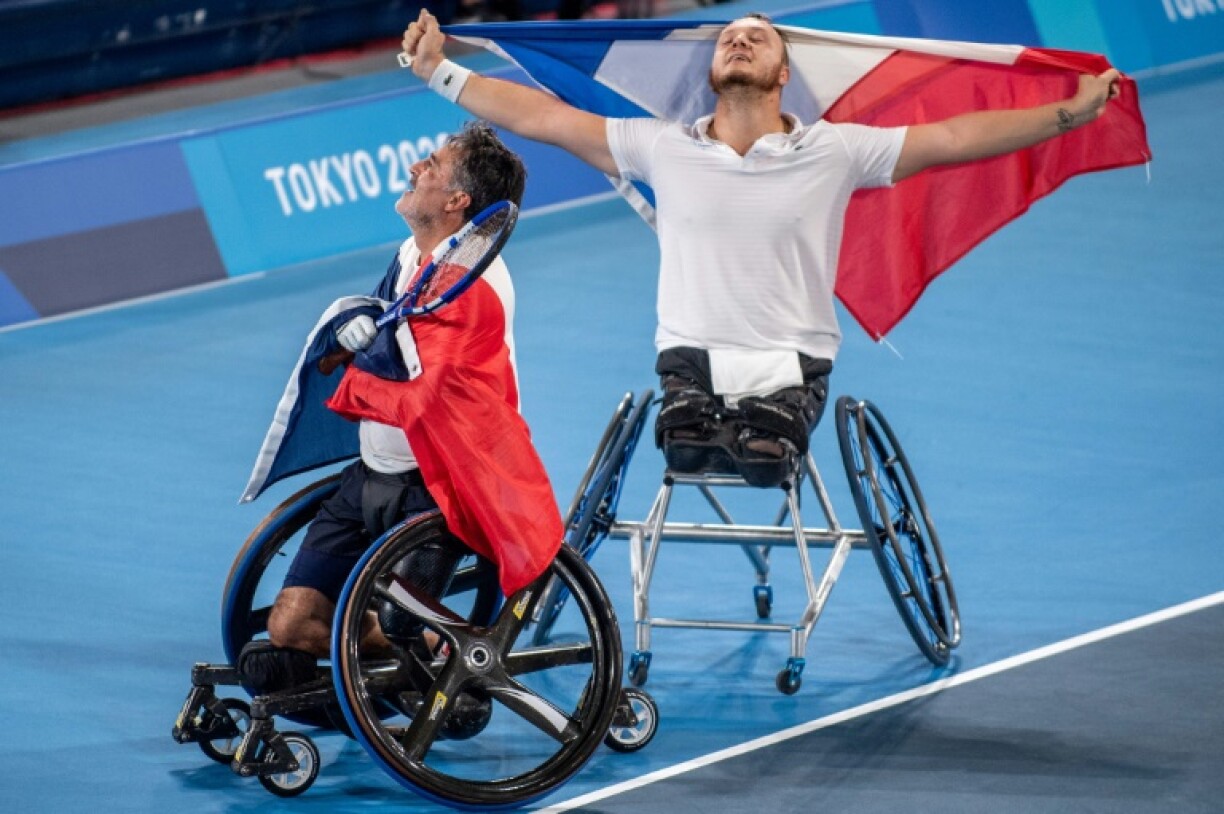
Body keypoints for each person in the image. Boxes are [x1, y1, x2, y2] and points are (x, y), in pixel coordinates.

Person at [399, 10, 1123, 486]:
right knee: (685, 451)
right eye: (728, 39)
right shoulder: (661, 147)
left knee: (766, 462)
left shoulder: (838, 150)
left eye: (758, 38)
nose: (738, 41)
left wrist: (1070, 113)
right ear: (711, 72)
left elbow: (958, 136)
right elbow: (544, 117)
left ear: (782, 75)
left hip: (794, 364)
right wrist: (441, 71)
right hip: (689, 361)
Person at [238, 121, 528, 695]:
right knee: (291, 625)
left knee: (399, 626)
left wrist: (356, 384)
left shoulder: (478, 291)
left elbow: (429, 402)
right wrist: (352, 328)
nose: (416, 167)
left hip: (439, 487)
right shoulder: (413, 253)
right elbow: (380, 326)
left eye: (432, 164)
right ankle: (397, 657)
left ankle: (446, 657)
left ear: (457, 200)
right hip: (372, 475)